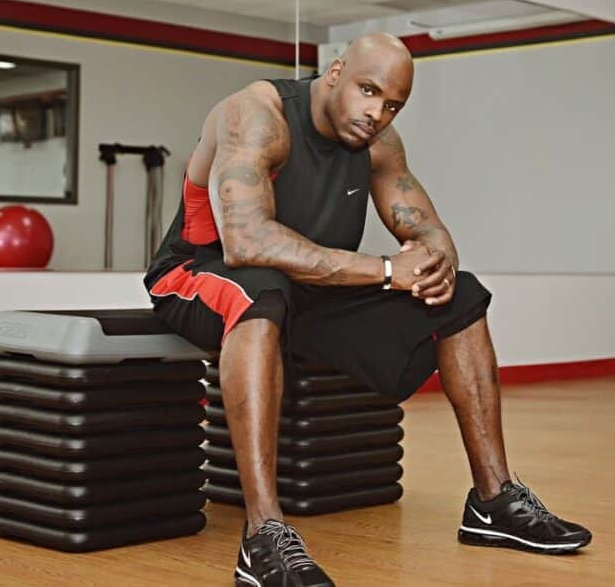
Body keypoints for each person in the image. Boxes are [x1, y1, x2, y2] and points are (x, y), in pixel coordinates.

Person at [144, 32, 592, 586]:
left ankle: (493, 499)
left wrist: (435, 267)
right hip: (199, 273)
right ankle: (263, 535)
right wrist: (385, 271)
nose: (376, 113)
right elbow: (245, 242)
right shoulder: (256, 115)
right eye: (368, 90)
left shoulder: (379, 144)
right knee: (259, 290)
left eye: (392, 104)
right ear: (335, 73)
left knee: (464, 296)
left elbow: (430, 232)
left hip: (305, 287)